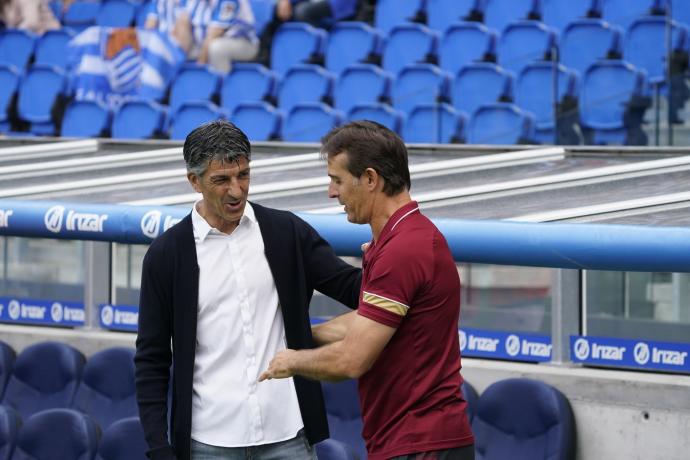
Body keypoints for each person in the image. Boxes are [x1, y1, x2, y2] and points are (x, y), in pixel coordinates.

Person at [134, 120, 362, 460]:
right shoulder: (166, 255)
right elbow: (152, 359)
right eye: (222, 180)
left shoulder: (286, 232)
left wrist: (393, 253)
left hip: (289, 435)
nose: (237, 190)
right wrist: (158, 446)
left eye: (244, 175)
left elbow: (354, 288)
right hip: (207, 444)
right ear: (194, 181)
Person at [260, 121, 475, 460]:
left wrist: (291, 360)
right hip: (409, 441)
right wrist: (305, 334)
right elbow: (366, 322)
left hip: (422, 444)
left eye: (337, 180)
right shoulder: (394, 241)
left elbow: (352, 359)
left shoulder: (404, 249)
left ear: (371, 179)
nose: (332, 192)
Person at [145, 0, 259, 73]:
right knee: (169, 49)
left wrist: (199, 69)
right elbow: (182, 26)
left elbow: (213, 35)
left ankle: (218, 91)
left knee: (216, 48)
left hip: (243, 43)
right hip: (204, 43)